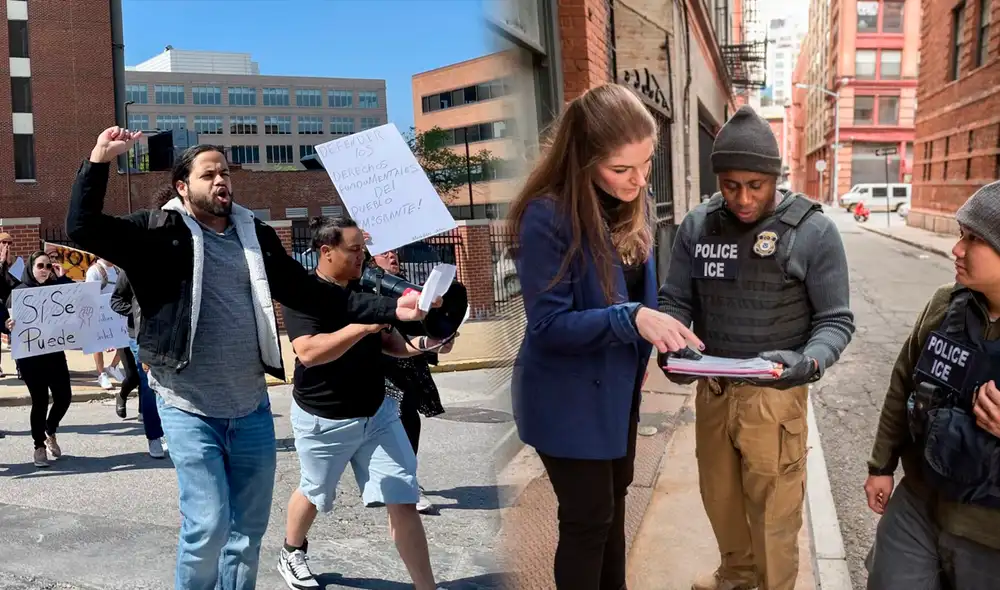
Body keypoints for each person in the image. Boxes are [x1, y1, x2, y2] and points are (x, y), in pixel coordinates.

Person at [66, 126, 434, 590]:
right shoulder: (158, 231)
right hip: (188, 405)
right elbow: (82, 227)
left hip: (252, 409)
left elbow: (309, 293)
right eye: (208, 174)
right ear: (183, 186)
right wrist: (100, 158)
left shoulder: (254, 234)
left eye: (225, 172)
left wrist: (391, 307)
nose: (221, 181)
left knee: (246, 534)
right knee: (209, 527)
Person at [508, 83, 704, 590]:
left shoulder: (632, 201)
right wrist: (633, 320)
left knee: (613, 510)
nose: (638, 180)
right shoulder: (546, 215)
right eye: (621, 169)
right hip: (566, 398)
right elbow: (547, 327)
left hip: (617, 394)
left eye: (646, 164)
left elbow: (644, 295)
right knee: (588, 522)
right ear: (582, 158)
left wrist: (670, 345)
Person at [658, 104, 855, 590]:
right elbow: (675, 300)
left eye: (755, 185)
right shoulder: (698, 226)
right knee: (720, 499)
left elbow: (835, 320)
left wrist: (807, 362)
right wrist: (673, 347)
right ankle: (736, 575)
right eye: (730, 185)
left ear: (775, 177)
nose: (743, 198)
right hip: (715, 392)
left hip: (774, 399)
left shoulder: (813, 231)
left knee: (774, 516)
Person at [277, 217, 454, 590]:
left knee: (402, 497)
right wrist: (364, 326)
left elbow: (392, 344)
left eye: (363, 250)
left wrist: (432, 343)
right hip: (324, 417)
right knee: (314, 491)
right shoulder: (304, 293)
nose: (362, 257)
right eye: (354, 250)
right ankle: (292, 550)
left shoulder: (365, 288)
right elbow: (308, 353)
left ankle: (427, 587)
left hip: (377, 412)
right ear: (326, 252)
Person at [864, 181, 1000, 589]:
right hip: (920, 499)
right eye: (961, 234)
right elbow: (904, 381)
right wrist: (881, 466)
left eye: (974, 239)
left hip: (988, 533)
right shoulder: (946, 302)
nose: (957, 249)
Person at [370, 248, 446, 514]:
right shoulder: (367, 289)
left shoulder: (407, 287)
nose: (393, 257)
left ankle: (406, 481)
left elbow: (422, 331)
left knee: (408, 420)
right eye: (384, 253)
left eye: (394, 252)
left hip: (408, 366)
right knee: (391, 422)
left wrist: (439, 340)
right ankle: (399, 481)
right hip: (379, 367)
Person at [1, 252, 76, 467]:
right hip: (31, 358)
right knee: (40, 401)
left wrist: (61, 277)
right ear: (31, 267)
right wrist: (8, 326)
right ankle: (39, 446)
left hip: (54, 354)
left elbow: (76, 299)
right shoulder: (19, 292)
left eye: (48, 266)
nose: (44, 270)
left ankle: (50, 429)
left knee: (64, 397)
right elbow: (6, 318)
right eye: (40, 265)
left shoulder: (55, 289)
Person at [109, 270, 165, 458]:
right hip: (139, 335)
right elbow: (115, 301)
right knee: (148, 383)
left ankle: (168, 431)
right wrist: (135, 309)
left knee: (168, 385)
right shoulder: (129, 268)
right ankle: (154, 437)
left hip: (167, 334)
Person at [85, 257, 124, 389]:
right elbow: (90, 295)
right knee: (98, 345)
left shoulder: (118, 270)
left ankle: (113, 367)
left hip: (117, 313)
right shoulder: (94, 271)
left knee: (124, 342)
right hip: (100, 314)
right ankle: (101, 374)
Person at [0, 233, 20, 381]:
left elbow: (18, 283)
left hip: (12, 303)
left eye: (10, 242)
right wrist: (1, 264)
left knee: (17, 336)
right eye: (3, 242)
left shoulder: (16, 261)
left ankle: (21, 367)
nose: (7, 245)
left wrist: (9, 264)